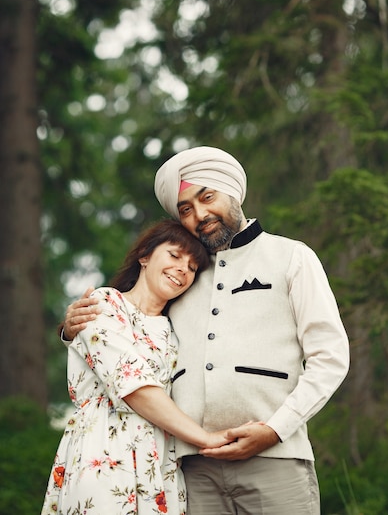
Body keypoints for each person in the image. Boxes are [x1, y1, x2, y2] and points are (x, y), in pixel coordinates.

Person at [62, 146, 350, 515]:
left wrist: (276, 429)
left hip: (274, 460)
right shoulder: (183, 276)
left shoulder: (292, 257)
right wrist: (73, 328)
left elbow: (330, 357)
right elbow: (130, 329)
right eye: (185, 209)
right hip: (190, 472)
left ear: (232, 190)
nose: (199, 214)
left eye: (207, 197)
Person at [43, 218, 238, 515]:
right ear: (144, 256)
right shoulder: (104, 304)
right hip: (105, 454)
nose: (182, 270)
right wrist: (206, 439)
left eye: (192, 267)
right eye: (174, 255)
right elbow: (135, 387)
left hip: (160, 463)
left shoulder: (175, 331)